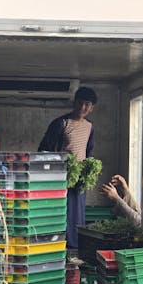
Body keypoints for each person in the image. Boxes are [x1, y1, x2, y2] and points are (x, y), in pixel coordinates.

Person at [38, 87, 97, 248]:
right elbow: (44, 149)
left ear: (91, 108)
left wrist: (86, 168)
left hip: (79, 177)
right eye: (80, 103)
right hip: (60, 174)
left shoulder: (90, 127)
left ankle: (75, 245)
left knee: (77, 210)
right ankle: (57, 244)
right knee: (60, 210)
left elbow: (88, 150)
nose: (82, 107)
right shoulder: (61, 123)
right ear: (74, 103)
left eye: (87, 104)